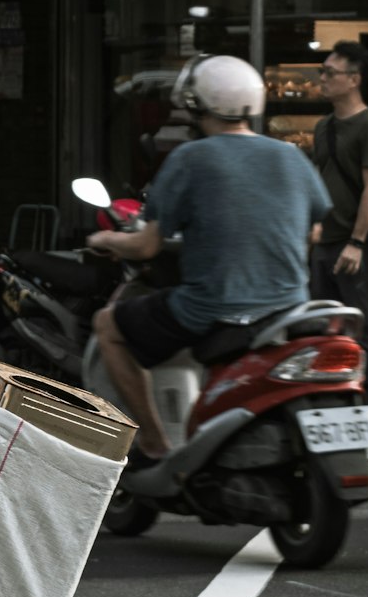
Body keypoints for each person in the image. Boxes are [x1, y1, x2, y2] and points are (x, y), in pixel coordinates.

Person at [88, 55, 331, 462]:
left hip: (213, 309)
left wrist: (106, 239)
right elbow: (315, 231)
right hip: (289, 306)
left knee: (108, 326)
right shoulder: (290, 156)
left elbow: (146, 246)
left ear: (195, 104)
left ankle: (154, 444)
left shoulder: (190, 158)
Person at [310, 40, 368, 413]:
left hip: (353, 244)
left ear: (354, 79)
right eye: (322, 71)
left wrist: (357, 242)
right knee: (322, 327)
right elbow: (317, 180)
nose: (323, 79)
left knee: (365, 327)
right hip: (323, 242)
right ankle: (331, 400)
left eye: (331, 72)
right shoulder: (323, 126)